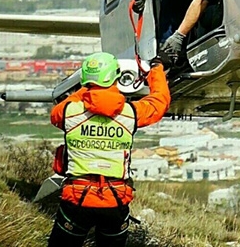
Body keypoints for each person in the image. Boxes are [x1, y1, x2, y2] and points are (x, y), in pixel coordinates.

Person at [47, 51, 171, 246]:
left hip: (77, 198)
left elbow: (58, 110)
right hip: (115, 199)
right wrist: (157, 70)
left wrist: (88, 87)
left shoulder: (67, 112)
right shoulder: (130, 114)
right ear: (115, 77)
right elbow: (159, 102)